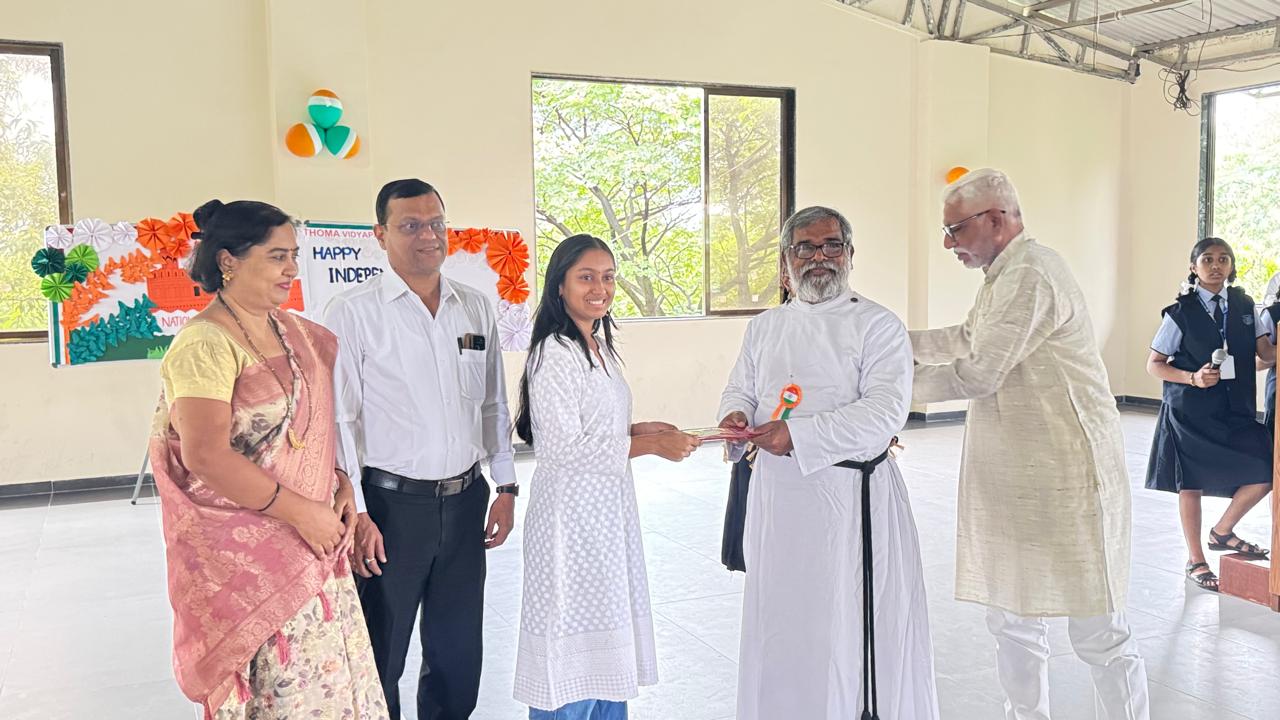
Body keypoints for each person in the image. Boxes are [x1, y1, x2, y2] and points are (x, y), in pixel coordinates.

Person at [911, 169, 1149, 720]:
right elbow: (967, 338)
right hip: (1015, 476)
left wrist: (884, 381)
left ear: (996, 219)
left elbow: (978, 373)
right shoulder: (1003, 275)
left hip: (1070, 474)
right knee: (1012, 616)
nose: (948, 244)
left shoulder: (1033, 273)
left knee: (1097, 629)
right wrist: (886, 341)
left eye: (955, 230)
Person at [149, 199, 387, 719]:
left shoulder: (293, 333)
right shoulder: (205, 344)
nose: (292, 269)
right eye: (278, 256)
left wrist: (338, 482)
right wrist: (303, 512)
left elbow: (308, 430)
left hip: (315, 547)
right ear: (228, 261)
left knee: (330, 687)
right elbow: (206, 455)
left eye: (294, 255)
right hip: (253, 561)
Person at [718, 206, 939, 720]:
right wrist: (735, 414)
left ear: (850, 254)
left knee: (840, 621)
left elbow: (883, 414)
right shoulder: (765, 327)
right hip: (777, 501)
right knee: (782, 621)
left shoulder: (878, 325)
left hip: (847, 502)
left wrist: (797, 436)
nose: (819, 257)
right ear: (785, 260)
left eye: (831, 245)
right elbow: (741, 387)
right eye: (805, 247)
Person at [324, 179, 517, 719]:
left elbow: (493, 403)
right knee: (381, 652)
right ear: (380, 234)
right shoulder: (353, 311)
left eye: (436, 223)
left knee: (458, 651)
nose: (428, 236)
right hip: (390, 509)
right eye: (410, 226)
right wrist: (359, 513)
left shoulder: (473, 306)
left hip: (465, 501)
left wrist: (505, 485)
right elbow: (339, 421)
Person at [512, 233, 700, 719]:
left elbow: (593, 426)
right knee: (570, 645)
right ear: (560, 286)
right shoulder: (555, 352)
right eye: (586, 277)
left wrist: (642, 430)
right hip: (570, 521)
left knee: (607, 640)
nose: (600, 288)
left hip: (605, 516)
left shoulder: (598, 346)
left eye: (608, 277)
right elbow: (562, 447)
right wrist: (651, 447)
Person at [1146, 237, 1273, 591]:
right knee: (1191, 483)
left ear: (1231, 266)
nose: (1216, 266)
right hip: (1190, 411)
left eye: (1223, 259)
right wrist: (1192, 377)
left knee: (1266, 469)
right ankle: (1195, 559)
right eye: (1207, 259)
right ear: (1194, 267)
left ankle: (1222, 531)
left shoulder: (1245, 305)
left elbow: (1265, 353)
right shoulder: (1180, 312)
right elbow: (1154, 364)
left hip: (1236, 409)